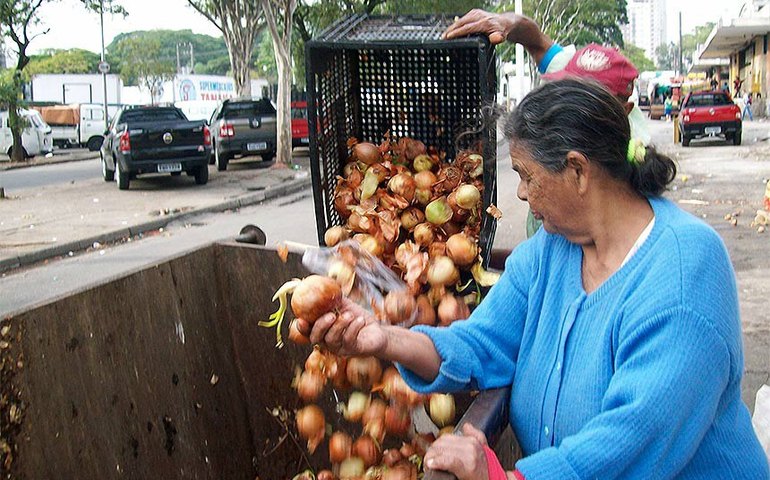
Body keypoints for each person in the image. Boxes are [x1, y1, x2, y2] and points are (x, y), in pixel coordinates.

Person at [299, 79, 770, 479]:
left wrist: (503, 475)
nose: (520, 192)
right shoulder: (552, 251)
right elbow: (483, 344)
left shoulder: (685, 272)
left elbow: (634, 436)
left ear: (578, 171)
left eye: (526, 175)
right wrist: (382, 339)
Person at [443, 10, 650, 243]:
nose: (562, 104)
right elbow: (538, 42)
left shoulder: (633, 155)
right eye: (563, 91)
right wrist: (513, 23)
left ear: (623, 109)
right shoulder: (567, 83)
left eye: (579, 102)